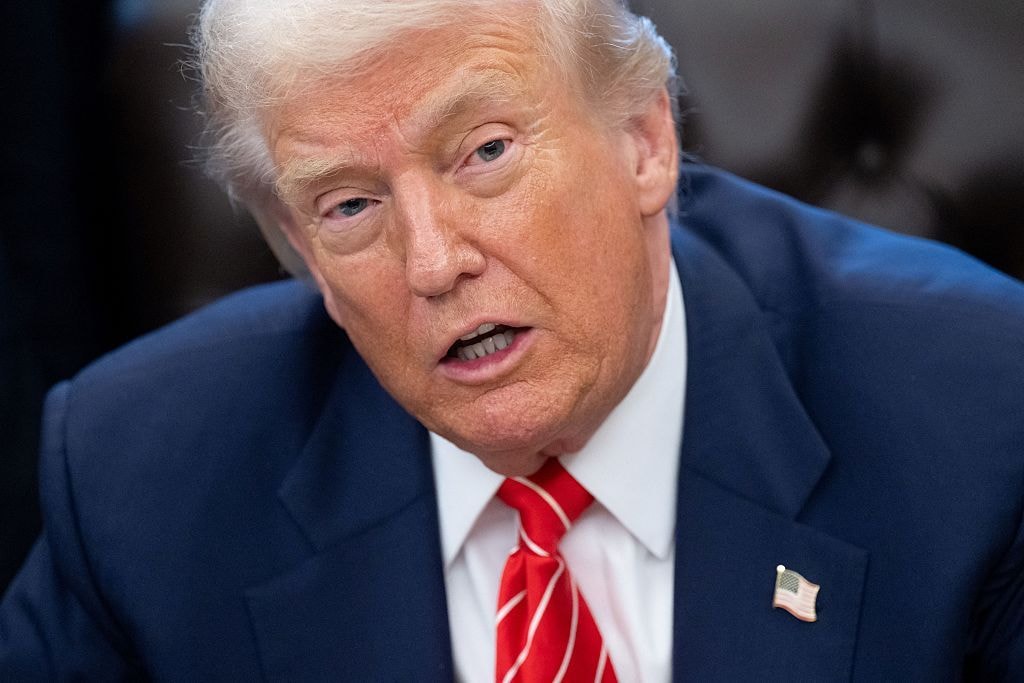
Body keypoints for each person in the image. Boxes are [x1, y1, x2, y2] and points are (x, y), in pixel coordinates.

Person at [1, 0, 1022, 680]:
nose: (433, 261)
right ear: (304, 254)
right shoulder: (137, 478)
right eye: (350, 205)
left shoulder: (981, 411)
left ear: (645, 141)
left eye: (484, 152)